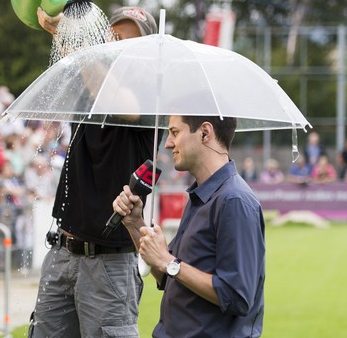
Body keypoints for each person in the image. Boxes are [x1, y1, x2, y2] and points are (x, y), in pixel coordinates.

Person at [28, 6, 158, 338]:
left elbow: (122, 104)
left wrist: (74, 40)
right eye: (112, 36)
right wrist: (61, 32)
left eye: (128, 40)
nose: (116, 45)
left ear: (148, 52)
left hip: (109, 264)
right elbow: (91, 73)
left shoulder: (149, 97)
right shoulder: (92, 86)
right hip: (62, 251)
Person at [112, 115, 265, 338]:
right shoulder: (201, 194)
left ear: (205, 133)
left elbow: (236, 296)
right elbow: (167, 275)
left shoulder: (234, 200)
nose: (167, 143)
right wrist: (134, 223)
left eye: (175, 132)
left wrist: (169, 262)